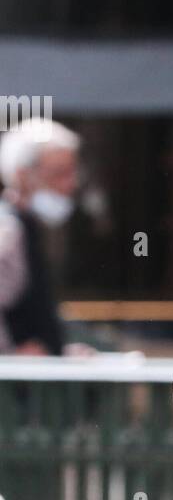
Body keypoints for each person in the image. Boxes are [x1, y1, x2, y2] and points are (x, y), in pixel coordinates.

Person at [0, 118, 82, 356]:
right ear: (23, 176)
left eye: (71, 172)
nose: (71, 183)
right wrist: (11, 356)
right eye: (59, 174)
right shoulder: (9, 231)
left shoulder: (29, 227)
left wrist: (61, 350)